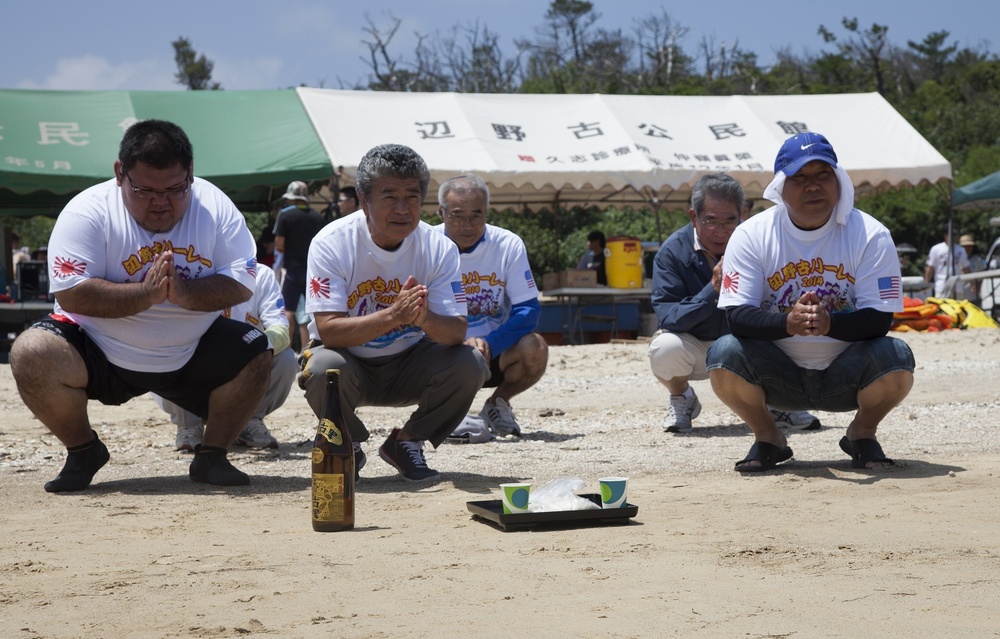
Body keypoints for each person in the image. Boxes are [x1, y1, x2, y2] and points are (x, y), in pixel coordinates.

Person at [8, 119, 271, 491]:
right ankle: (84, 450)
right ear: (120, 174)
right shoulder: (86, 212)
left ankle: (212, 456)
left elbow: (242, 283)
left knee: (256, 348)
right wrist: (144, 295)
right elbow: (71, 292)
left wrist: (185, 294)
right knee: (30, 351)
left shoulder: (214, 207)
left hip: (190, 351)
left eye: (175, 189)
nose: (161, 203)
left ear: (191, 174)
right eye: (145, 190)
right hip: (99, 350)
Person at [707, 132, 915, 472]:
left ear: (838, 179)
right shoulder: (751, 234)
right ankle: (768, 436)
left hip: (846, 374)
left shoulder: (871, 235)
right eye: (799, 177)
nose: (813, 186)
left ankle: (862, 433)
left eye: (823, 175)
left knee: (897, 357)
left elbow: (880, 320)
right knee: (722, 354)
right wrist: (787, 322)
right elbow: (737, 316)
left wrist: (831, 323)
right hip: (777, 373)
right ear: (780, 186)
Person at [297, 144, 489, 482]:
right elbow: (328, 330)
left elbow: (457, 331)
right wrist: (394, 316)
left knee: (470, 362)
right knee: (322, 367)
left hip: (409, 363)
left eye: (412, 197)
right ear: (363, 198)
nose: (403, 209)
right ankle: (347, 443)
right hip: (350, 363)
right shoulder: (333, 242)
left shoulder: (438, 246)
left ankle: (407, 441)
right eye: (389, 196)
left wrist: (423, 318)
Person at [648, 173, 820, 433]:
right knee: (664, 347)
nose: (721, 231)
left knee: (790, 326)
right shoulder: (672, 252)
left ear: (743, 216)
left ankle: (781, 404)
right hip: (696, 344)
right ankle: (681, 397)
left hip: (744, 343)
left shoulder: (759, 244)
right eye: (710, 221)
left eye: (730, 220)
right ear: (694, 217)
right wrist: (713, 290)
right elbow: (669, 317)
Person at [434, 173, 549, 437]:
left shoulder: (508, 244)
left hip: (495, 351)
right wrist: (458, 343)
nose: (467, 224)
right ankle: (446, 411)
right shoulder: (425, 244)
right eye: (457, 215)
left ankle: (497, 403)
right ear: (441, 213)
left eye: (476, 215)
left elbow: (528, 310)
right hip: (443, 351)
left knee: (536, 348)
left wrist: (489, 344)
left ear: (487, 211)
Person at [156, 263, 296, 452]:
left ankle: (249, 420)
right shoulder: (187, 269)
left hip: (248, 363)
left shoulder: (261, 274)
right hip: (195, 362)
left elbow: (281, 331)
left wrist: (248, 348)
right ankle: (188, 424)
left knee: (286, 358)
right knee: (166, 350)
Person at [274, 180, 326, 351]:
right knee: (310, 312)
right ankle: (309, 350)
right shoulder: (318, 217)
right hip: (313, 272)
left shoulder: (285, 215)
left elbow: (279, 244)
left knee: (288, 309)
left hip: (292, 270)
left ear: (292, 198)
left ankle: (286, 349)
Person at [925, 227, 969, 298]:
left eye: (957, 234)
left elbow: (966, 268)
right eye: (954, 234)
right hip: (942, 287)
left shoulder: (961, 250)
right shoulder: (936, 249)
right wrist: (926, 284)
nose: (956, 236)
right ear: (946, 235)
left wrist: (972, 283)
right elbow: (930, 268)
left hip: (957, 287)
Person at [959, 234, 984, 303]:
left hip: (973, 296)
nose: (968, 249)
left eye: (969, 246)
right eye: (965, 246)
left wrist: (977, 288)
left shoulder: (977, 259)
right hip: (959, 297)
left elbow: (981, 277)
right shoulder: (956, 259)